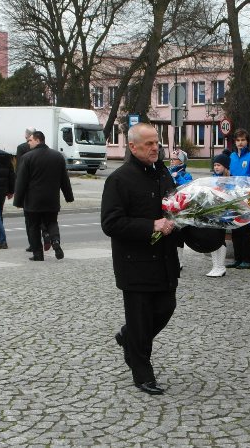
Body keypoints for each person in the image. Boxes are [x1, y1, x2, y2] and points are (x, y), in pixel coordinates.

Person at [101, 123, 180, 395]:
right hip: (135, 263)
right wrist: (151, 226)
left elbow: (173, 208)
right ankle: (142, 373)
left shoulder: (163, 173)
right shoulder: (119, 179)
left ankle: (128, 336)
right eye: (149, 144)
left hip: (165, 260)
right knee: (141, 318)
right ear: (133, 147)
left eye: (157, 142)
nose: (155, 148)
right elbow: (111, 223)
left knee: (166, 307)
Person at [13, 131, 74, 261]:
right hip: (52, 199)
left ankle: (38, 254)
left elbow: (21, 181)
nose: (28, 143)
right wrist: (69, 196)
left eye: (30, 140)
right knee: (52, 222)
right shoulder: (57, 156)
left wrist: (18, 201)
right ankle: (55, 241)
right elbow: (64, 179)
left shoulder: (27, 157)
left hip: (33, 200)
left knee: (33, 226)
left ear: (38, 140)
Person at [226, 128, 250, 269]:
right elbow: (228, 177)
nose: (240, 143)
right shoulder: (232, 157)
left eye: (243, 140)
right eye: (238, 140)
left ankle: (246, 260)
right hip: (234, 197)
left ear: (247, 141)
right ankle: (237, 259)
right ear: (234, 142)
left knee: (246, 230)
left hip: (247, 197)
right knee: (235, 229)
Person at [205, 152, 231, 277]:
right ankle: (215, 266)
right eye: (215, 165)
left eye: (219, 165)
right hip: (212, 213)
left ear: (225, 166)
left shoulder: (230, 180)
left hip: (223, 214)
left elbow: (231, 195)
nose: (216, 167)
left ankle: (221, 266)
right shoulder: (213, 179)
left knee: (220, 239)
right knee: (213, 238)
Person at [169, 149, 193, 268]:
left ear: (181, 161)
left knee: (178, 234)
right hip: (168, 206)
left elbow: (188, 187)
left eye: (174, 159)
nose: (171, 161)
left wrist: (178, 177)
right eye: (171, 159)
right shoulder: (167, 172)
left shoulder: (186, 175)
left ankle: (179, 260)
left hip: (180, 208)